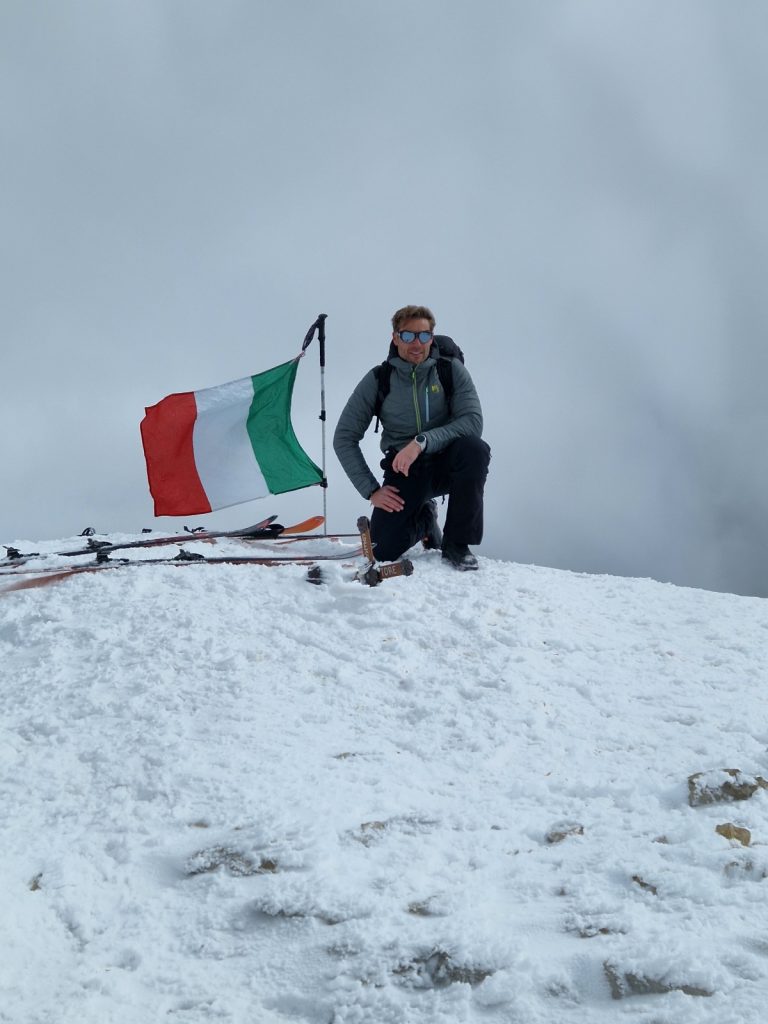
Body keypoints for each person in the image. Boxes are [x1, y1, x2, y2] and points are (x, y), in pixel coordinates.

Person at [333, 305, 491, 570]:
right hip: (405, 470)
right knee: (382, 551)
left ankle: (457, 545)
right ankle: (426, 520)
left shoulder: (450, 370)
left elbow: (473, 422)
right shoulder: (379, 379)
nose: (416, 343)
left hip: (447, 463)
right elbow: (344, 437)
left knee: (474, 449)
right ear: (395, 338)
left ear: (431, 337)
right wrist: (371, 490)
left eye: (423, 335)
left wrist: (421, 442)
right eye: (408, 336)